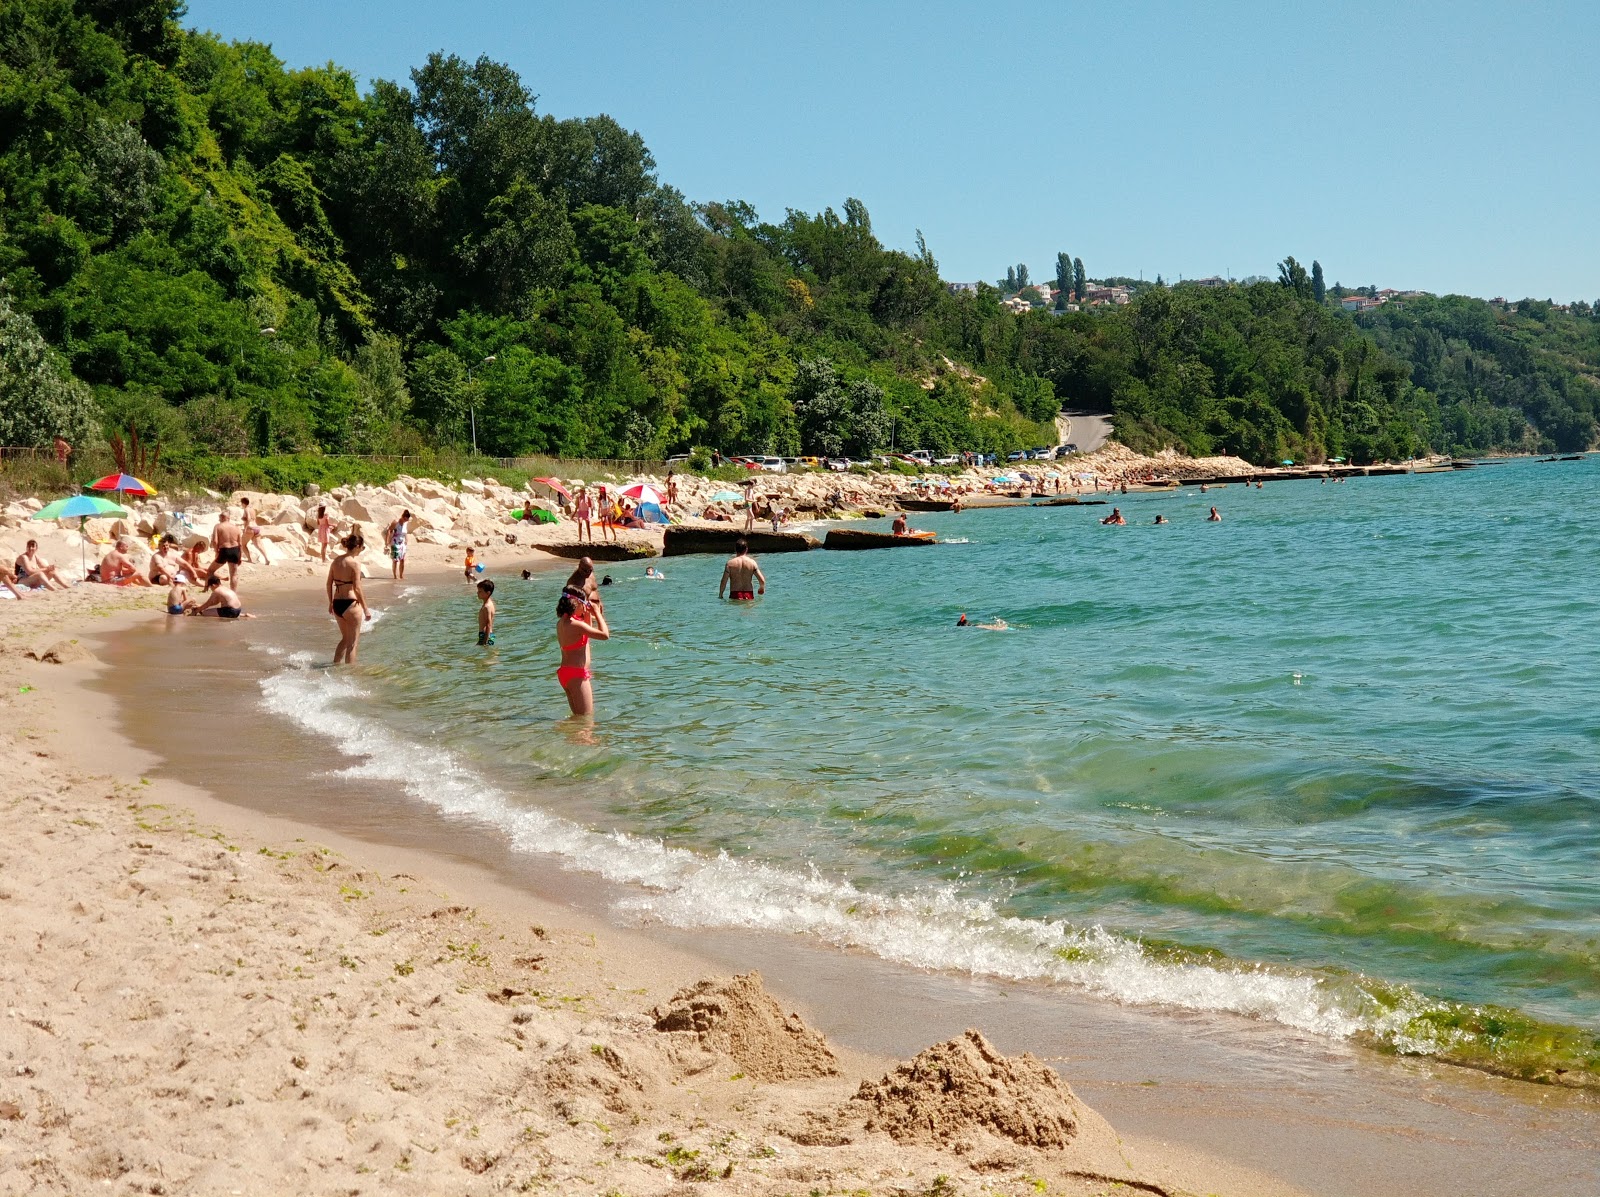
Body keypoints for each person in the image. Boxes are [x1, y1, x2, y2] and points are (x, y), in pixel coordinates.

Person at [556, 589, 610, 716]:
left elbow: (586, 633)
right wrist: (597, 613)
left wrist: (587, 614)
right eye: (584, 603)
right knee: (585, 720)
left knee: (578, 719)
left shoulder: (562, 623)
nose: (585, 606)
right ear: (576, 603)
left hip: (566, 673)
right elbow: (605, 635)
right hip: (577, 675)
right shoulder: (576, 625)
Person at [327, 532, 369, 664]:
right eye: (362, 547)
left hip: (337, 603)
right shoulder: (354, 563)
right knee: (352, 643)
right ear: (357, 546)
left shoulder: (336, 561)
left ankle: (336, 667)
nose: (362, 550)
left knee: (345, 639)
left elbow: (329, 583)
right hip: (351, 604)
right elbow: (357, 587)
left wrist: (330, 603)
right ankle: (349, 677)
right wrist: (366, 608)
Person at [210, 511, 243, 586]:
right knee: (234, 574)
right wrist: (240, 556)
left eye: (219, 518)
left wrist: (216, 552)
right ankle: (233, 594)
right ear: (229, 518)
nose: (219, 520)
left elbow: (215, 541)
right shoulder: (236, 528)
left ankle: (212, 588)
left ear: (222, 517)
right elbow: (240, 544)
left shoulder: (218, 526)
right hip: (235, 550)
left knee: (210, 571)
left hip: (224, 550)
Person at [237, 497, 266, 565]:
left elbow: (249, 519)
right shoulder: (252, 509)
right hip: (256, 528)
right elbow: (254, 519)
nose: (241, 505)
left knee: (242, 545)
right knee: (259, 545)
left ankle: (249, 559)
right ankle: (267, 559)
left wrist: (245, 528)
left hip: (250, 528)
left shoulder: (246, 509)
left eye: (241, 503)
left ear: (243, 503)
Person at [385, 510, 411, 581]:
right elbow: (389, 530)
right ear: (403, 517)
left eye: (407, 520)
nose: (406, 521)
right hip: (395, 542)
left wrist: (406, 540)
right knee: (395, 560)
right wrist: (387, 542)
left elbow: (405, 533)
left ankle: (401, 575)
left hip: (402, 543)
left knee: (402, 560)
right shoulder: (396, 522)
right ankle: (395, 576)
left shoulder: (405, 523)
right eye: (405, 519)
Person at [476, 578, 496, 646]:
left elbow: (488, 624)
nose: (477, 593)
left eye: (480, 591)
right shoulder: (490, 603)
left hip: (485, 635)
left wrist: (484, 641)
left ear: (488, 593)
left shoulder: (487, 607)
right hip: (490, 635)